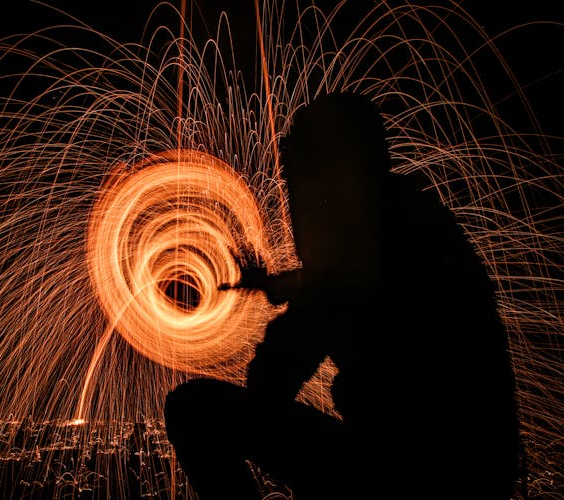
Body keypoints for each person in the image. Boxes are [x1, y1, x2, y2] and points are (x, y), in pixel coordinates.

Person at [164, 93, 520, 499]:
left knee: (194, 411)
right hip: (480, 467)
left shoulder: (355, 240)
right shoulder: (413, 216)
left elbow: (275, 374)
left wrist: (295, 308)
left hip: (405, 469)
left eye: (294, 179)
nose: (292, 200)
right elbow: (370, 289)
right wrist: (277, 285)